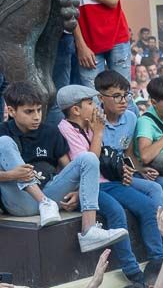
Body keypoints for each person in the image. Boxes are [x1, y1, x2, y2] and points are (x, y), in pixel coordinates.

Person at [0, 82, 129, 251]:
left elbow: (70, 170)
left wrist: (77, 193)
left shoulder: (50, 132)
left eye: (39, 110)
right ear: (11, 111)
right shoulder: (3, 131)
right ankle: (43, 202)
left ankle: (89, 231)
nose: (37, 116)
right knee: (3, 142)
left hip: (51, 194)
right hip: (21, 201)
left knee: (88, 158)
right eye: (29, 112)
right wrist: (11, 175)